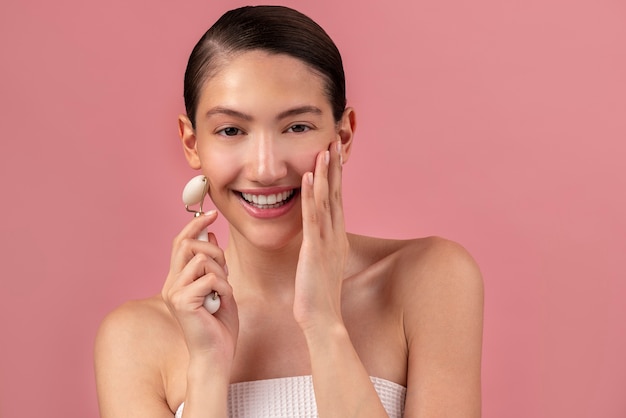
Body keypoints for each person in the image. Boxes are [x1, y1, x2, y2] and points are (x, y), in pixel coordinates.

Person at [95, 5, 484, 417]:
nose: (266, 169)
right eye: (231, 130)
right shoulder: (134, 339)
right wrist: (207, 368)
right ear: (192, 144)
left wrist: (324, 323)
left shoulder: (429, 280)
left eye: (296, 127)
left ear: (344, 135)